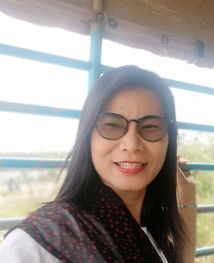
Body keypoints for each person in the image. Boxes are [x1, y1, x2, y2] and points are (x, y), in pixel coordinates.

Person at [0, 65, 196, 263]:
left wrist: (188, 201)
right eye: (111, 125)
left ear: (168, 140)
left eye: (151, 127)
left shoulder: (154, 235)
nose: (132, 144)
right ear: (88, 136)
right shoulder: (35, 245)